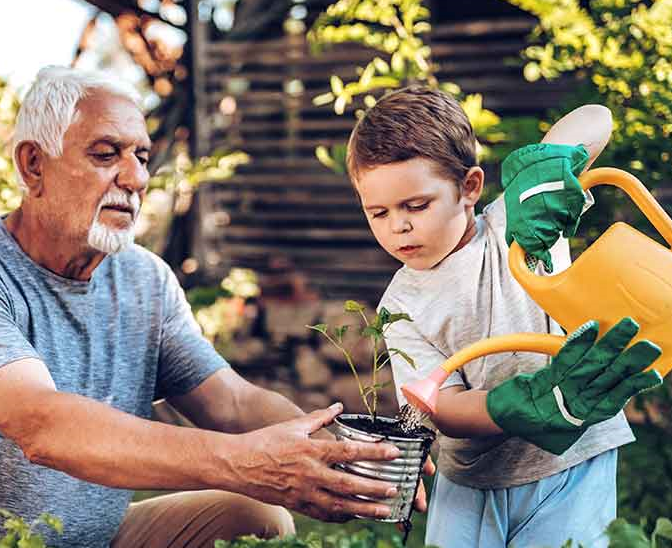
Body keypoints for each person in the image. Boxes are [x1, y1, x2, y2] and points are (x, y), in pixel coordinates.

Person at [0, 66, 408, 548]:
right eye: (106, 154)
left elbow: (231, 401)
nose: (135, 178)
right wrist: (244, 462)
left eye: (143, 157)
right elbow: (43, 426)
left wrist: (341, 454)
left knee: (254, 513)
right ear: (33, 166)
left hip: (102, 536)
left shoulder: (143, 278)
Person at [346, 85, 663, 548]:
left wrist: (544, 173)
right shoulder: (401, 303)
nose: (399, 225)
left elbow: (595, 118)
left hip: (573, 458)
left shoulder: (520, 226)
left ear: (469, 188)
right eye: (378, 212)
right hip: (472, 479)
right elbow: (443, 405)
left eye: (417, 205)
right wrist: (517, 405)